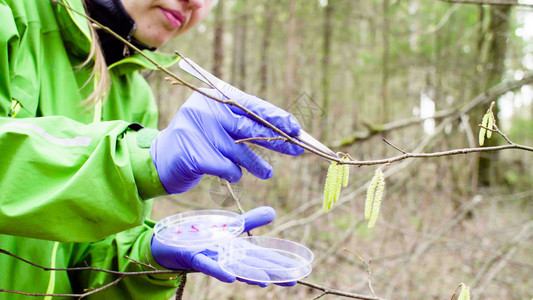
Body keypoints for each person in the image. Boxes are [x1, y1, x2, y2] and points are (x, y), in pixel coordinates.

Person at [0, 0, 304, 298]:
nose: (195, 3)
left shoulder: (137, 98)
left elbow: (85, 270)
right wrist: (135, 161)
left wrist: (149, 259)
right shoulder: (12, 12)